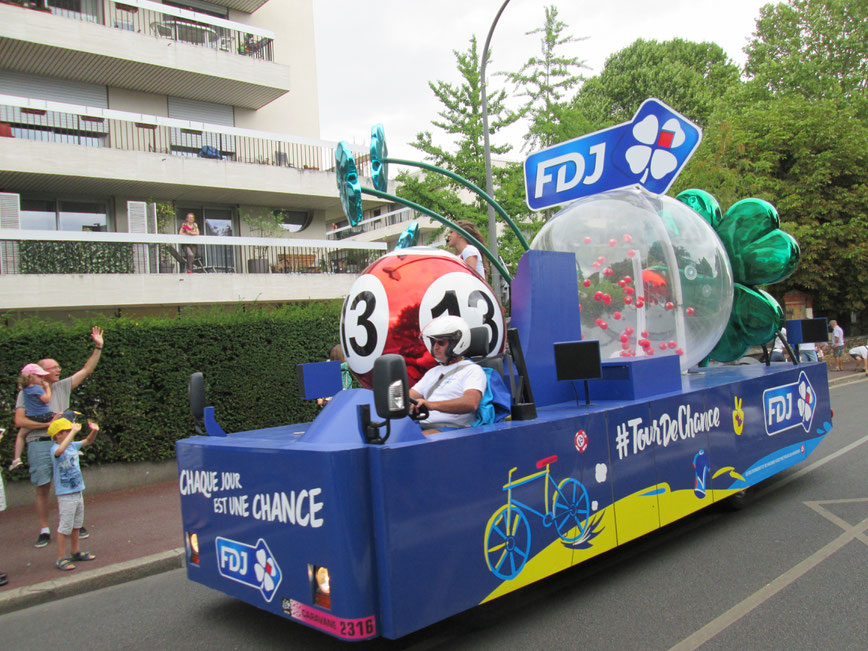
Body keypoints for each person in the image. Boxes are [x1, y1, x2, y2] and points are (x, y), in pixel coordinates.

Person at [13, 326, 104, 548]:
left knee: (71, 484)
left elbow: (86, 370)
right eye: (52, 367)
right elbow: (19, 422)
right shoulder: (26, 393)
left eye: (58, 366)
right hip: (39, 443)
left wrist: (98, 346)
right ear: (40, 372)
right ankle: (44, 529)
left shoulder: (63, 387)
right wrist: (48, 424)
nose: (58, 370)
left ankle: (74, 524)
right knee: (43, 487)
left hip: (64, 443)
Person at [409, 315, 487, 434]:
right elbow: (409, 396)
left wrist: (431, 405)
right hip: (422, 426)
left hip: (454, 430)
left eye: (441, 343)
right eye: (433, 342)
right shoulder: (433, 372)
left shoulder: (472, 370)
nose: (435, 347)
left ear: (457, 343)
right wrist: (407, 402)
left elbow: (471, 402)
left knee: (414, 442)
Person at [48, 418, 99, 571]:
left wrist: (94, 431)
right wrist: (74, 432)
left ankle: (75, 551)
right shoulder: (55, 449)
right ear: (58, 435)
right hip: (65, 494)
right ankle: (61, 557)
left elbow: (88, 441)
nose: (71, 434)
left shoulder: (72, 445)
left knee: (77, 524)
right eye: (67, 432)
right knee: (65, 527)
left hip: (77, 491)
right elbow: (59, 451)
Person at [8, 363, 59, 470]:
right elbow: (47, 399)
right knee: (64, 420)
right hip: (45, 416)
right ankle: (69, 447)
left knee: (21, 435)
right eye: (39, 376)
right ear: (30, 377)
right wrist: (47, 388)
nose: (42, 379)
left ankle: (16, 458)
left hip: (32, 417)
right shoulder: (38, 388)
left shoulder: (24, 390)